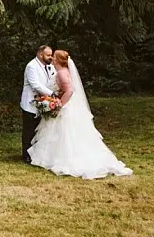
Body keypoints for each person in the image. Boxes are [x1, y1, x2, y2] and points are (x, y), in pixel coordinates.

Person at [28, 50, 133, 179]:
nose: (52, 59)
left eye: (54, 57)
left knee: (65, 134)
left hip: (66, 108)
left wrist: (60, 104)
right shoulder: (61, 72)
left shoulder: (61, 73)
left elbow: (70, 90)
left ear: (59, 60)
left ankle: (66, 159)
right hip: (64, 105)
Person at [20, 45, 57, 164]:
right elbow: (36, 85)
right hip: (30, 102)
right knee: (29, 129)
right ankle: (26, 154)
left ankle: (37, 154)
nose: (51, 57)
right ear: (40, 54)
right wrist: (52, 94)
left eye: (51, 55)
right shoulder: (31, 66)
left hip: (43, 102)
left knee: (39, 129)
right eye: (48, 55)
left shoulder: (49, 66)